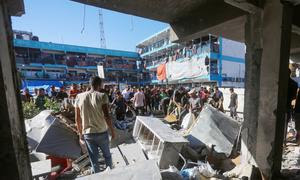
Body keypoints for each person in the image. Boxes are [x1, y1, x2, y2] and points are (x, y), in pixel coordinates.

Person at [75, 76, 115, 174]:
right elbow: (107, 116)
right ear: (99, 84)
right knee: (107, 156)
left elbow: (77, 118)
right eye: (102, 83)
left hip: (88, 134)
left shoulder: (79, 97)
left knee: (94, 160)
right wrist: (112, 131)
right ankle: (112, 175)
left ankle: (97, 176)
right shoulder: (102, 96)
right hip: (101, 132)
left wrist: (80, 134)